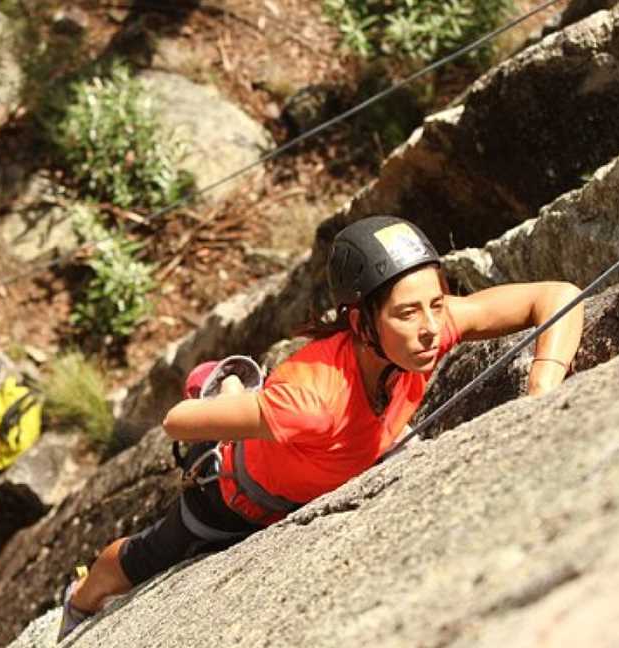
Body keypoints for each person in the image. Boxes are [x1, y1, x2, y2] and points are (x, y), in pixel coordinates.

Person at [57, 215, 584, 641]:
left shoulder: (427, 332)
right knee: (145, 556)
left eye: (436, 304)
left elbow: (557, 296)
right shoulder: (311, 401)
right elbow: (177, 421)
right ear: (360, 322)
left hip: (318, 471)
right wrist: (241, 403)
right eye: (407, 312)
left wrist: (542, 387)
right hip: (232, 500)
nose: (428, 326)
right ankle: (78, 602)